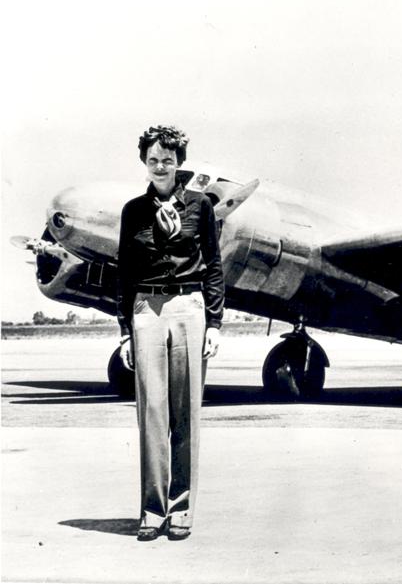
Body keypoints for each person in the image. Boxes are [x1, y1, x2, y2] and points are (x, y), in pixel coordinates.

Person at [116, 125, 224, 541]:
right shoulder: (132, 212)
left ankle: (180, 510)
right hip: (146, 308)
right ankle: (151, 510)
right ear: (144, 162)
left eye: (168, 159)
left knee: (185, 415)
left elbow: (213, 266)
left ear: (179, 162)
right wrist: (126, 330)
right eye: (153, 159)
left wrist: (214, 323)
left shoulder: (200, 207)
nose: (160, 166)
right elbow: (124, 273)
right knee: (151, 415)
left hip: (189, 307)